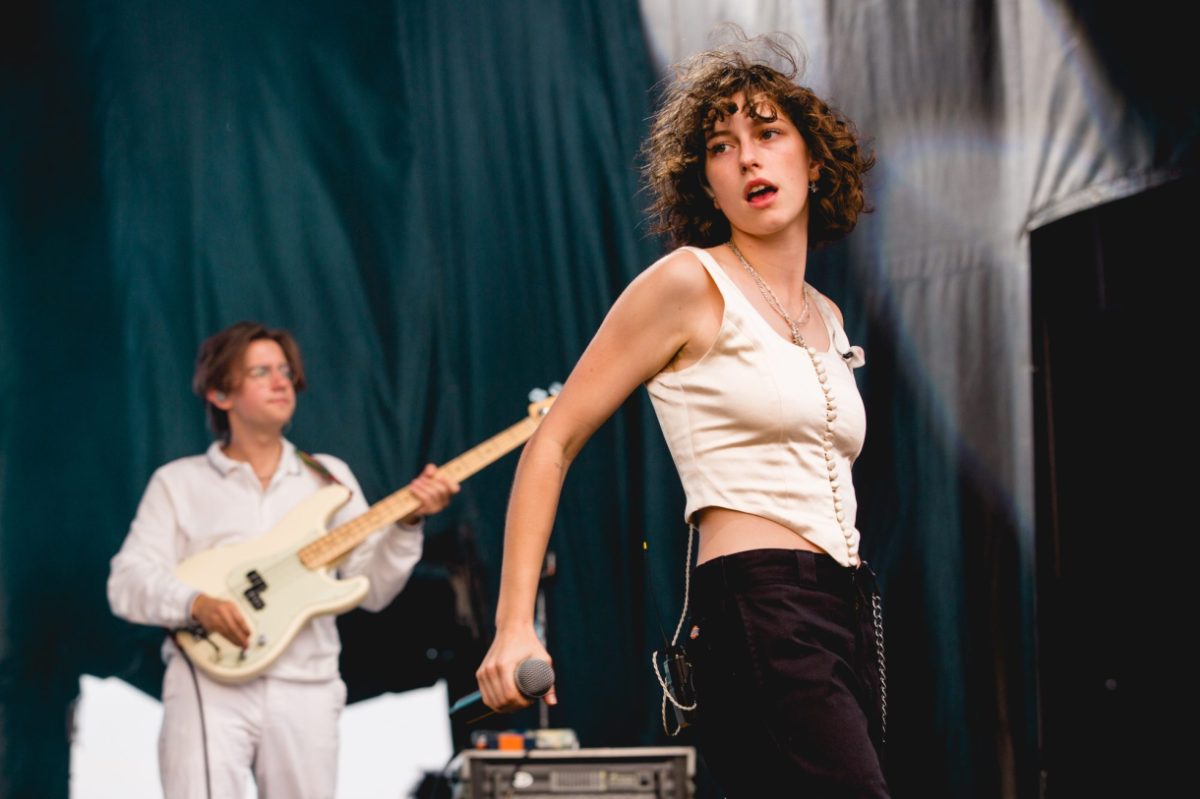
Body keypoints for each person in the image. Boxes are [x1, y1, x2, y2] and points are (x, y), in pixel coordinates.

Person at [475, 35, 886, 797]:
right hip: (761, 601)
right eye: (722, 148)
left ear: (814, 159)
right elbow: (554, 439)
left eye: (768, 134)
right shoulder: (690, 283)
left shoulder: (827, 317)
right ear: (708, 182)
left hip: (842, 608)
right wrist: (513, 622)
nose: (749, 160)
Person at [108, 321, 459, 799]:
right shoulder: (178, 483)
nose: (281, 382)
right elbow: (126, 582)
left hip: (305, 686)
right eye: (261, 372)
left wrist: (407, 525)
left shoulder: (330, 479)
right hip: (207, 684)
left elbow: (372, 590)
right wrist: (194, 603)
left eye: (285, 371)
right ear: (219, 394)